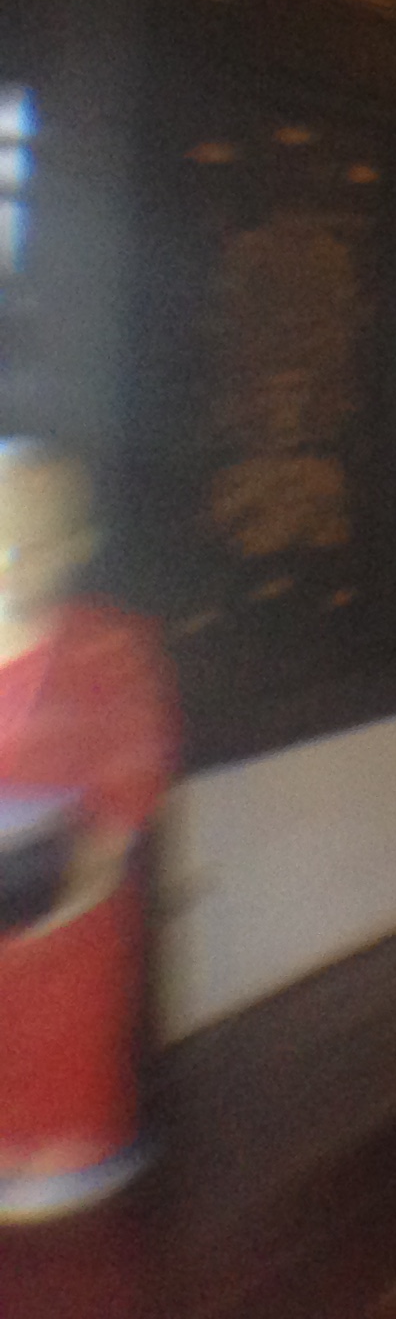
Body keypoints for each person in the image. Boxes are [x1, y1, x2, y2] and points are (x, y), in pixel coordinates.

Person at [0, 439, 178, 1221]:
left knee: (62, 1033)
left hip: (66, 889)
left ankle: (62, 1160)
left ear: (73, 545)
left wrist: (88, 872)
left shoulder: (109, 644)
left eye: (31, 542)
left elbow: (133, 766)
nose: (10, 563)